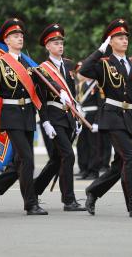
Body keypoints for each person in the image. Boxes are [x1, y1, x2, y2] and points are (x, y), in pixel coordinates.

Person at [80, 18, 132, 218]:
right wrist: (100, 50)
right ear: (110, 41)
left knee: (120, 164)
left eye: (125, 37)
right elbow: (84, 69)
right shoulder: (104, 64)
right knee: (130, 157)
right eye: (118, 37)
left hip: (129, 118)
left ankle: (94, 191)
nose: (124, 40)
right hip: (112, 118)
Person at [0, 18, 48, 215]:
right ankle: (30, 204)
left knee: (19, 161)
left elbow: (38, 92)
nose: (19, 38)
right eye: (14, 36)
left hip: (28, 115)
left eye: (21, 35)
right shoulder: (0, 64)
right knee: (28, 159)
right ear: (6, 40)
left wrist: (44, 117)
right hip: (11, 116)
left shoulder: (28, 64)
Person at [32, 23, 86, 211]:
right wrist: (45, 121)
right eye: (55, 43)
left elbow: (73, 93)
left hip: (69, 116)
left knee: (57, 159)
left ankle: (33, 190)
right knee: (68, 155)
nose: (60, 45)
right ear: (47, 46)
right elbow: (40, 99)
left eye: (61, 42)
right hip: (54, 116)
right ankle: (68, 200)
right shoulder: (41, 70)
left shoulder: (70, 65)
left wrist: (77, 116)